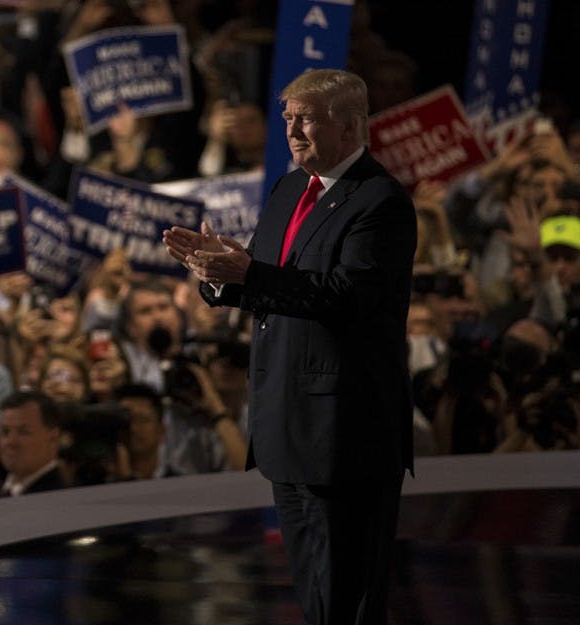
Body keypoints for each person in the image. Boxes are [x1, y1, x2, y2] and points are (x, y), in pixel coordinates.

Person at [164, 69, 416, 625]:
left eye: (306, 119)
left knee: (348, 599)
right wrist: (215, 273)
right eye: (287, 119)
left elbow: (348, 296)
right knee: (313, 593)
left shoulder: (380, 201)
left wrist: (250, 273)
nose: (293, 130)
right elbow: (268, 285)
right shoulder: (285, 191)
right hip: (285, 423)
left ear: (350, 127)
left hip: (345, 432)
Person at [0, 390, 67, 500]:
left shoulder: (64, 498)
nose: (10, 442)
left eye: (23, 432)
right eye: (5, 432)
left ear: (52, 438)